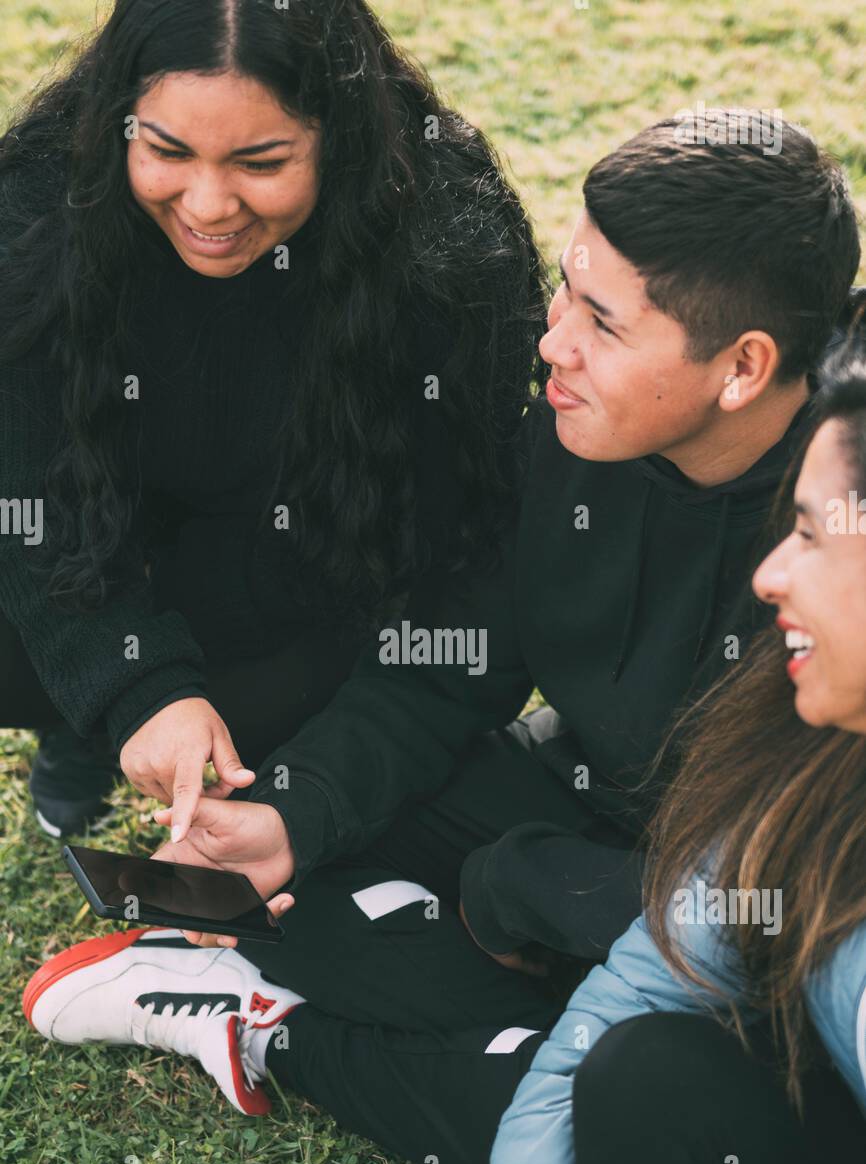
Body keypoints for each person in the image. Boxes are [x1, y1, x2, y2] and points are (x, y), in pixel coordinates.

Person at [23, 114, 862, 1164]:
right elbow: (452, 664)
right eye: (564, 291)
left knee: (645, 1127)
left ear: (742, 366)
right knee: (295, 894)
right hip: (586, 801)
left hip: (749, 908)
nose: (551, 341)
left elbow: (798, 915)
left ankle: (283, 1040)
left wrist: (525, 886)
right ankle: (458, 1003)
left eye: (600, 324)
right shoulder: (569, 438)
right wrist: (291, 816)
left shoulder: (838, 531)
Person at [0, 0, 545, 837]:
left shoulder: (450, 248)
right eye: (167, 150)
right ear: (119, 122)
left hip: (309, 570)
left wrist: (322, 777)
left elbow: (455, 534)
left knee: (282, 715)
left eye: (261, 161)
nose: (209, 205)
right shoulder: (36, 207)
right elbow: (25, 487)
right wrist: (129, 685)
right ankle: (79, 723)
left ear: (340, 137)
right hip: (109, 533)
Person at [468, 332, 866, 1164]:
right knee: (642, 1074)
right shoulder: (817, 758)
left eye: (811, 534)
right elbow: (634, 1000)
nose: (769, 573)